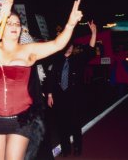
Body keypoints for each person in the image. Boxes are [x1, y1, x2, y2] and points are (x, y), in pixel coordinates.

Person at [0, 0, 83, 160]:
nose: (14, 26)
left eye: (17, 24)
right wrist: (0, 16)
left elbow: (57, 45)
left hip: (21, 118)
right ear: (2, 26)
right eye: (9, 23)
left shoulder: (29, 50)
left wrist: (70, 24)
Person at [46, 20, 97, 157]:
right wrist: (50, 95)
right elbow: (50, 78)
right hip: (59, 97)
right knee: (62, 125)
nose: (68, 48)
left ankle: (77, 148)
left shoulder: (78, 60)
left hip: (74, 97)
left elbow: (91, 50)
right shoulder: (56, 60)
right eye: (66, 45)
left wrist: (94, 32)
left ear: (73, 47)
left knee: (75, 125)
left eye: (70, 46)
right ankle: (66, 149)